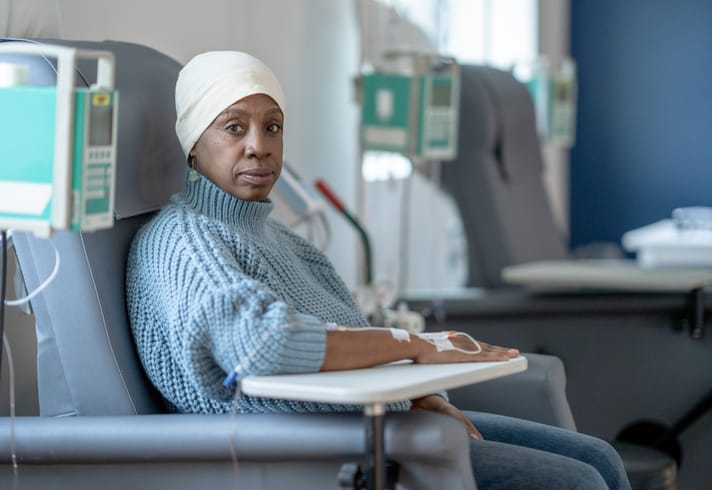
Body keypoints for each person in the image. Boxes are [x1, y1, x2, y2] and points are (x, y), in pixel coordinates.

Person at [125, 50, 631, 490]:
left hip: (378, 425)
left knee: (599, 457)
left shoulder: (290, 245)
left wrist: (419, 397)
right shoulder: (182, 240)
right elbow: (261, 343)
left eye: (272, 126)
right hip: (305, 451)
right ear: (194, 143)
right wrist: (415, 346)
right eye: (233, 127)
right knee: (580, 482)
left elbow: (353, 335)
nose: (258, 145)